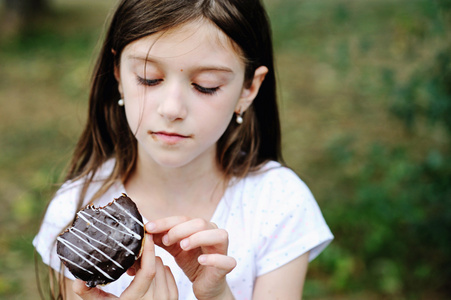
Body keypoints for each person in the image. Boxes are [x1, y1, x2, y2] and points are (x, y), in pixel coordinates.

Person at [33, 0, 333, 299]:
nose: (172, 108)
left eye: (206, 85)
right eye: (149, 78)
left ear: (249, 89)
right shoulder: (73, 213)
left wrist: (218, 296)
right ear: (118, 74)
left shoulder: (279, 204)